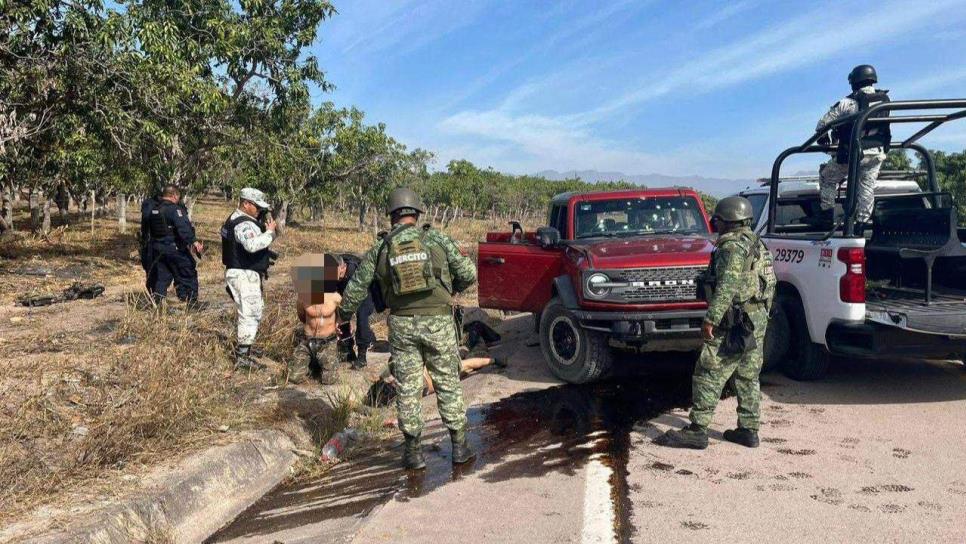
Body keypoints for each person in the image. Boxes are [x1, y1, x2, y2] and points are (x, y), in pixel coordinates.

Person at [337, 187, 477, 470]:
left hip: (401, 325)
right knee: (447, 382)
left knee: (408, 388)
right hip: (438, 322)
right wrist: (449, 290)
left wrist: (343, 316)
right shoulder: (436, 239)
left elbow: (356, 287)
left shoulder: (382, 247)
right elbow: (469, 274)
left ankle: (413, 454)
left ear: (392, 216)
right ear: (416, 213)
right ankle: (460, 448)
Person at [657, 196, 776, 450]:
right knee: (747, 374)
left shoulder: (732, 247)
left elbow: (727, 286)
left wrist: (711, 319)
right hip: (756, 317)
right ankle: (748, 429)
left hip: (735, 319)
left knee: (709, 371)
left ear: (726, 221)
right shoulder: (756, 243)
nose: (715, 224)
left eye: (718, 220)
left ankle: (698, 429)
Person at [816, 64, 891, 230]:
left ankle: (826, 217)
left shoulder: (847, 103)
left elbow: (821, 125)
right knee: (866, 187)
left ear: (854, 81)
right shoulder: (884, 101)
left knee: (826, 177)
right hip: (877, 153)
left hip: (854, 154)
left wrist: (823, 139)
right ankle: (861, 225)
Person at [222, 187, 278, 370]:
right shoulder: (243, 223)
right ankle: (242, 358)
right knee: (249, 314)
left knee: (253, 312)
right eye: (257, 207)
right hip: (243, 274)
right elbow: (252, 245)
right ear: (246, 203)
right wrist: (269, 232)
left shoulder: (237, 219)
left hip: (244, 273)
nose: (259, 211)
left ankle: (245, 350)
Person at [145, 185, 203, 304]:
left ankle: (158, 305)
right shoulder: (175, 210)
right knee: (188, 273)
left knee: (161, 278)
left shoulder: (154, 210)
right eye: (178, 196)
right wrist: (194, 241)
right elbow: (183, 229)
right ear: (174, 195)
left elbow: (147, 230)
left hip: (157, 250)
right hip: (174, 249)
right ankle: (191, 303)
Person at [293, 255, 342, 385]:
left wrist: (338, 325)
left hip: (327, 342)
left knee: (329, 381)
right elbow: (302, 317)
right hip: (307, 341)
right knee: (295, 377)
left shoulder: (335, 297)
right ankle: (311, 364)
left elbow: (342, 317)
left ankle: (324, 363)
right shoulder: (303, 297)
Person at [334, 253, 376, 370]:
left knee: (361, 316)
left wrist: (347, 317)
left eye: (336, 272)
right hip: (346, 291)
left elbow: (353, 298)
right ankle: (347, 350)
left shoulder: (355, 272)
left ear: (343, 267)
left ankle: (362, 357)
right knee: (339, 311)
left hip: (364, 291)